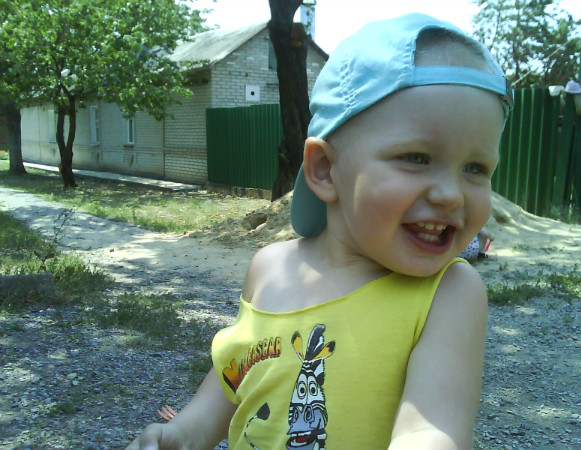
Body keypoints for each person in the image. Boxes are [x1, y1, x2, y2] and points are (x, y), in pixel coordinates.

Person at [125, 12, 513, 450]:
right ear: (326, 169)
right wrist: (183, 433)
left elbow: (431, 429)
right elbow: (234, 381)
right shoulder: (270, 269)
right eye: (417, 158)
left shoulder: (449, 293)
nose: (451, 194)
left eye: (475, 168)